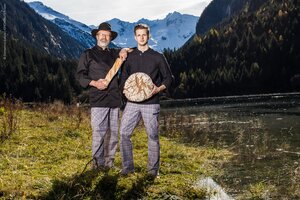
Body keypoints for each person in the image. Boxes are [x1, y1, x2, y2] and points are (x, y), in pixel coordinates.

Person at [120, 24, 173, 177]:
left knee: (153, 136)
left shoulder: (158, 56)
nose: (142, 37)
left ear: (149, 36)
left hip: (151, 103)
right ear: (135, 37)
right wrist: (124, 89)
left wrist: (158, 89)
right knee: (123, 133)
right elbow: (124, 77)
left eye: (144, 35)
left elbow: (169, 78)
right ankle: (127, 169)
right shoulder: (129, 56)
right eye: (139, 35)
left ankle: (152, 171)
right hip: (132, 103)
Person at [76, 22, 127, 170]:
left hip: (114, 99)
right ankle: (97, 164)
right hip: (98, 99)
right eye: (102, 34)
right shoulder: (88, 54)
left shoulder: (114, 53)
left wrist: (124, 50)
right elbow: (80, 76)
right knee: (99, 133)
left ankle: (109, 164)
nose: (104, 37)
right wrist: (94, 83)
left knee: (112, 135)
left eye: (107, 35)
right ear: (97, 36)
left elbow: (127, 51)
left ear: (110, 38)